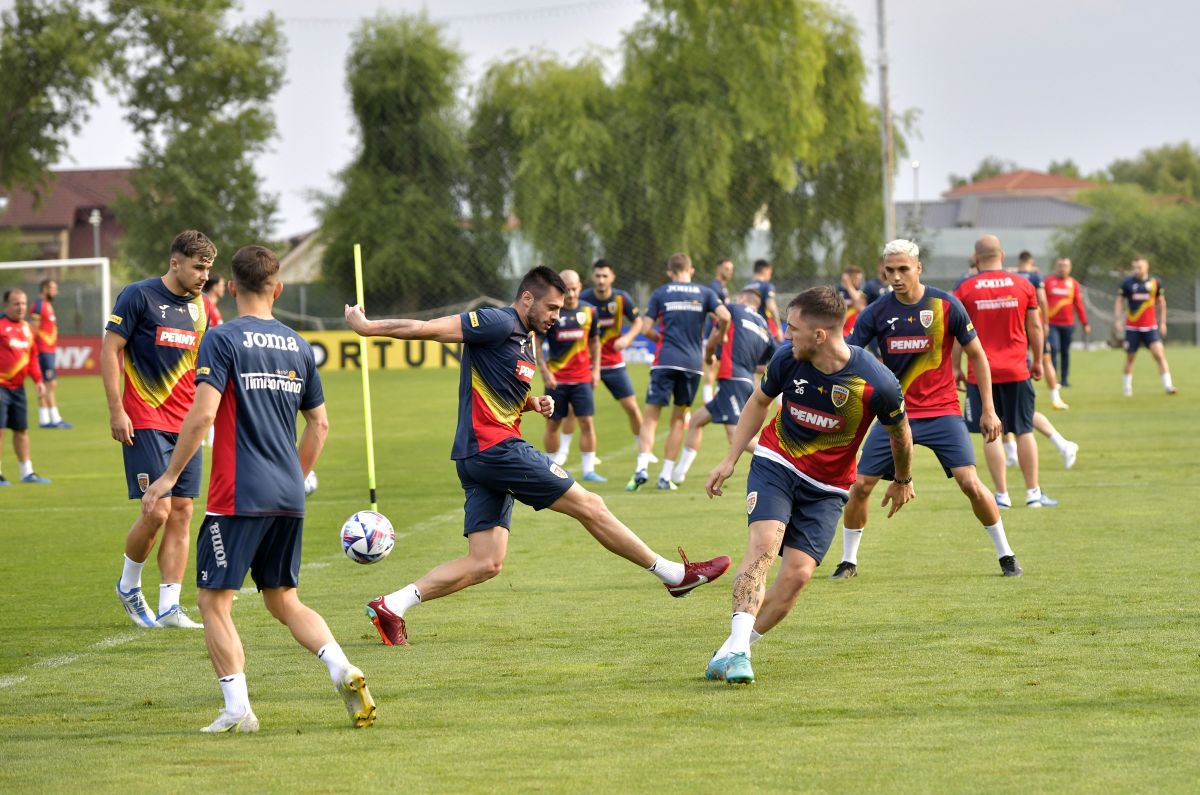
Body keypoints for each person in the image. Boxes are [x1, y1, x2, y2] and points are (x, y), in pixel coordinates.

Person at [343, 266, 731, 648]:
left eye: (560, 310)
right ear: (527, 298)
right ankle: (673, 575)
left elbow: (495, 387)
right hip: (496, 448)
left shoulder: (523, 339)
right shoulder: (496, 321)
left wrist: (530, 403)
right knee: (590, 505)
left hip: (481, 456)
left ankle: (392, 605)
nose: (556, 317)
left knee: (486, 562)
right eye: (551, 308)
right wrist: (368, 327)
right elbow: (426, 329)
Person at [142, 244, 375, 733]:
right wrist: (295, 473)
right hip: (288, 496)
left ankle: (237, 710)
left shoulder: (221, 339)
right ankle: (341, 667)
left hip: (237, 495)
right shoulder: (297, 343)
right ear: (279, 288)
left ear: (230, 287)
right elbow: (321, 425)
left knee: (212, 600)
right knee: (283, 598)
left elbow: (203, 413)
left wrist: (166, 478)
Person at [703, 287, 914, 685]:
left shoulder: (876, 383)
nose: (785, 336)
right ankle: (739, 651)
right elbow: (758, 403)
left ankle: (735, 648)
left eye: (792, 328)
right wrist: (730, 458)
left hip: (828, 486)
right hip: (776, 463)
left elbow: (901, 434)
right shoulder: (787, 358)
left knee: (797, 575)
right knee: (764, 545)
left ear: (819, 335)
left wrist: (903, 479)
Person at [836, 239, 1021, 580]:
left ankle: (1006, 554)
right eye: (889, 270)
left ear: (919, 268)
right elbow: (848, 356)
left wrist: (989, 409)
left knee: (970, 482)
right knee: (860, 486)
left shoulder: (946, 306)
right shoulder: (876, 312)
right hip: (894, 415)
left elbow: (978, 355)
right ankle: (848, 562)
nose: (896, 276)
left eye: (903, 269)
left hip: (942, 412)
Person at [104, 230, 214, 629]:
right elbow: (110, 350)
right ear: (175, 263)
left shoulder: (203, 308)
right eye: (198, 267)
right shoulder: (138, 296)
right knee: (158, 509)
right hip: (145, 416)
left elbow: (208, 365)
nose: (204, 275)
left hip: (187, 425)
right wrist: (117, 410)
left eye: (208, 268)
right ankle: (129, 586)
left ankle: (170, 606)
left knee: (183, 511)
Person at [955, 235, 1057, 509]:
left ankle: (1001, 496)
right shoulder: (1024, 284)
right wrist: (1037, 360)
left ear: (976, 258)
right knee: (1024, 430)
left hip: (980, 372)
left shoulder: (965, 289)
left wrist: (955, 367)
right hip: (1016, 369)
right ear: (1002, 254)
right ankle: (1033, 493)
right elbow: (1036, 327)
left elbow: (956, 335)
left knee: (991, 432)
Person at [622, 253, 731, 491]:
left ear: (670, 273)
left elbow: (646, 328)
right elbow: (725, 316)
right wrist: (721, 336)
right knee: (679, 419)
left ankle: (641, 468)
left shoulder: (661, 292)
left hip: (665, 360)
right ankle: (665, 475)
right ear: (690, 271)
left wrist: (661, 338)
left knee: (651, 416)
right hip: (692, 364)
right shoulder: (705, 293)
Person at [670, 290, 775, 486]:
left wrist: (709, 353)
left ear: (742, 298)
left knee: (735, 435)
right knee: (696, 420)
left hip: (732, 378)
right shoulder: (764, 326)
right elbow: (767, 364)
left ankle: (779, 459)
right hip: (745, 380)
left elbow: (716, 331)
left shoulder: (734, 309)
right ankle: (678, 474)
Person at [539, 269, 604, 481]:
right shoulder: (551, 313)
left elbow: (595, 341)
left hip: (582, 378)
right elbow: (537, 344)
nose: (572, 294)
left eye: (575, 289)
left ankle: (589, 470)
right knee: (553, 424)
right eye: (567, 290)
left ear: (580, 287)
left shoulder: (589, 312)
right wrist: (545, 371)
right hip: (557, 380)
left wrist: (595, 369)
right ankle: (551, 469)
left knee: (586, 422)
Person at [578, 259, 646, 449]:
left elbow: (638, 322)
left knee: (632, 408)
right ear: (593, 277)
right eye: (598, 276)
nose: (601, 280)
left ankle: (643, 449)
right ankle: (564, 453)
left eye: (605, 276)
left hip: (614, 363)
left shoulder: (621, 298)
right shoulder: (583, 300)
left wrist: (628, 338)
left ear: (612, 277)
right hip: (588, 365)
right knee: (571, 411)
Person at [0, 288, 51, 484]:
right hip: (1, 387)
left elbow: (32, 358)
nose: (21, 307)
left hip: (18, 389)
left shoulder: (29, 329)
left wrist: (38, 381)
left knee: (21, 430)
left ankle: (26, 472)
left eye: (23, 303)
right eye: (16, 304)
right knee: (0, 430)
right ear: (6, 305)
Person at [1013, 251, 1068, 410]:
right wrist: (1045, 322)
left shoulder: (1012, 277)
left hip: (1018, 323)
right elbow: (1042, 301)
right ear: (1032, 261)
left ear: (1019, 261)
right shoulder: (1036, 278)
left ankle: (1023, 396)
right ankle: (1056, 399)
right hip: (1034, 322)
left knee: (1020, 359)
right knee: (1046, 359)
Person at [1115, 256, 1176, 396]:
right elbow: (1119, 301)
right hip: (1133, 328)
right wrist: (1118, 320)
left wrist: (1163, 322)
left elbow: (1161, 303)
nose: (1137, 269)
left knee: (1159, 355)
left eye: (1140, 267)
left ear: (1146, 267)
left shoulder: (1155, 282)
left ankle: (1168, 386)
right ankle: (1127, 389)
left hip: (1150, 327)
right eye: (1135, 267)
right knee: (1130, 358)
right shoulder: (1127, 283)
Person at [29, 278, 71, 429]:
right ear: (45, 289)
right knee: (48, 383)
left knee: (49, 384)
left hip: (49, 351)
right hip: (42, 350)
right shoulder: (39, 306)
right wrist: (33, 350)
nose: (56, 292)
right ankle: (50, 418)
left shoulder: (47, 305)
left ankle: (48, 418)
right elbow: (33, 330)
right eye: (53, 288)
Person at [1043, 257, 1089, 387]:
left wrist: (1085, 323)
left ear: (1070, 268)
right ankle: (1054, 379)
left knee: (1065, 351)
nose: (1062, 268)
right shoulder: (1048, 282)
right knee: (1053, 348)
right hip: (1052, 324)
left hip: (1068, 324)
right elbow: (1041, 303)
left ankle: (1064, 379)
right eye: (1060, 265)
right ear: (1056, 267)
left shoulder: (1073, 284)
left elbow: (1078, 305)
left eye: (1065, 266)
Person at [702, 258, 734, 403]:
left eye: (731, 269)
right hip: (714, 331)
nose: (729, 272)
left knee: (720, 364)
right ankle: (708, 399)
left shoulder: (722, 287)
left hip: (721, 331)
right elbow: (711, 310)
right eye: (726, 268)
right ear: (718, 269)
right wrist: (721, 323)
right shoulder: (714, 286)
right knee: (712, 364)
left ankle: (716, 395)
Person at [743, 259, 783, 341]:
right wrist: (779, 329)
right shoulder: (766, 286)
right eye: (770, 273)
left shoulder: (746, 287)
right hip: (760, 328)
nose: (770, 276)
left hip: (746, 328)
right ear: (765, 270)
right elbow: (771, 307)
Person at [836, 265, 867, 337]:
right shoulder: (836, 291)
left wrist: (849, 286)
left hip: (852, 331)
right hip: (838, 329)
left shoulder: (859, 292)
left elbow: (860, 307)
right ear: (848, 278)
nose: (859, 281)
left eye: (860, 279)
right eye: (857, 278)